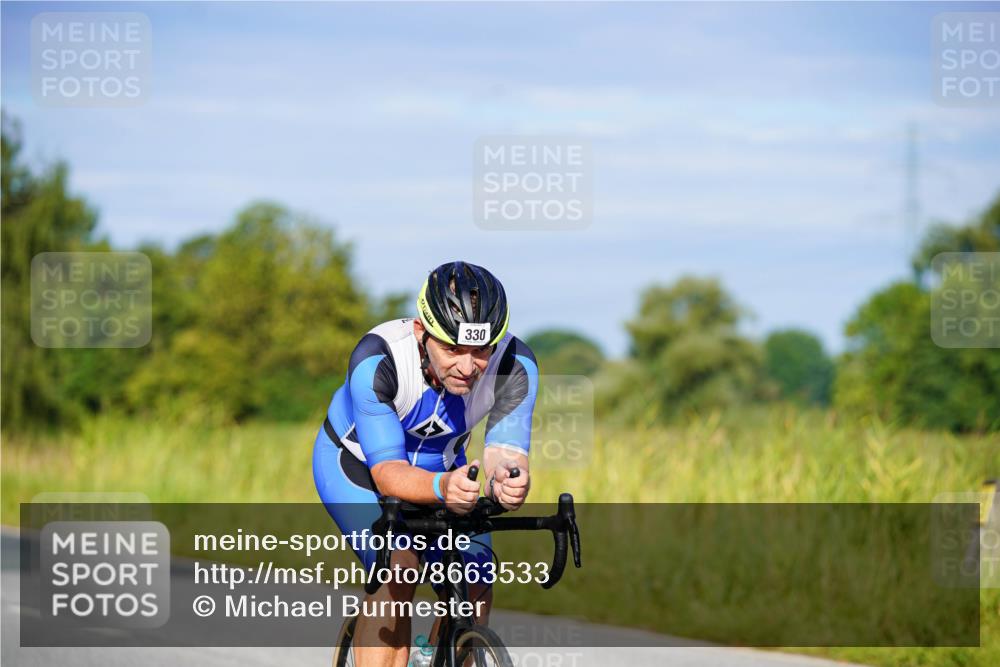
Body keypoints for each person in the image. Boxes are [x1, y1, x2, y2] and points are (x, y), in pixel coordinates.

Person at [313, 261, 538, 667]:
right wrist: (443, 489)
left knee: (474, 578)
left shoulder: (514, 365)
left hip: (444, 468)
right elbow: (388, 474)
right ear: (422, 332)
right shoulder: (378, 358)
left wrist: (508, 479)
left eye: (481, 350)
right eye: (453, 349)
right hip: (358, 467)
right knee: (398, 570)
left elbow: (506, 450)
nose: (468, 367)